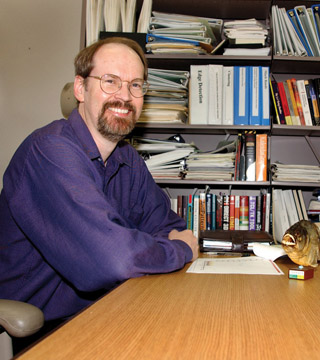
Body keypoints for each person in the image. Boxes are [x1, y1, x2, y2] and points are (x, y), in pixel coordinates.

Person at [0, 37, 198, 327]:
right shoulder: (50, 151)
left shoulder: (128, 160)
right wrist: (177, 250)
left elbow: (168, 227)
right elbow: (115, 259)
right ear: (80, 88)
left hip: (110, 307)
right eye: (110, 81)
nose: (125, 96)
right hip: (47, 326)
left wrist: (144, 249)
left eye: (135, 85)